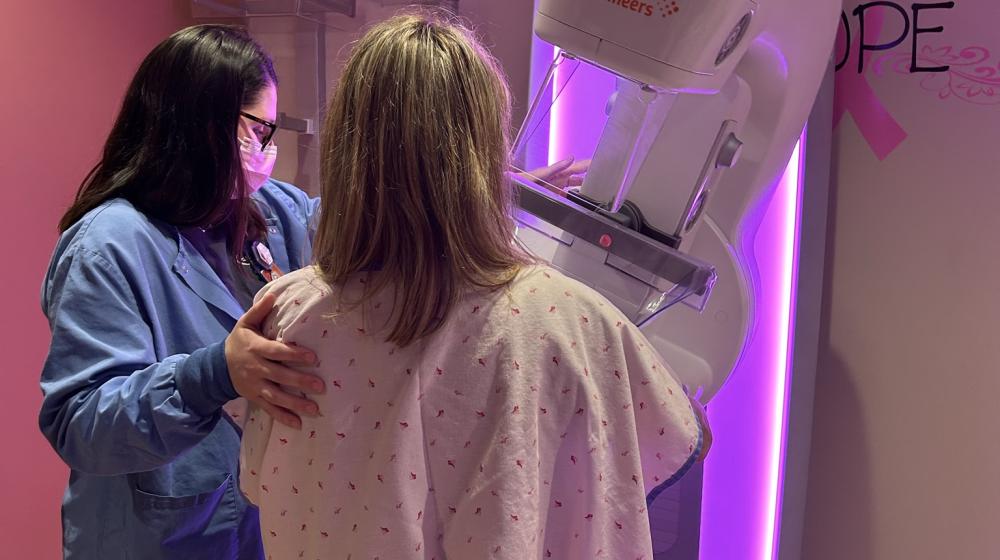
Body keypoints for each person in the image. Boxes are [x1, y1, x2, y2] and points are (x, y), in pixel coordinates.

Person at [240, 13, 709, 560]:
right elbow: (685, 439)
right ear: (487, 154)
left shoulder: (284, 316)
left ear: (348, 151)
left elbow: (258, 480)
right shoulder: (574, 320)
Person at [39, 25, 327, 558]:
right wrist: (214, 375)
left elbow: (362, 228)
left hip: (261, 529)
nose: (267, 149)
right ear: (206, 127)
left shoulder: (272, 213)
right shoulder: (109, 248)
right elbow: (79, 424)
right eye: (260, 129)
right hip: (157, 539)